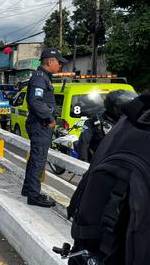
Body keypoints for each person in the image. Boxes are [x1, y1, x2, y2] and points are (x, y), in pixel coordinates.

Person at [21, 48, 66, 207]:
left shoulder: (43, 77)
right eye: (58, 62)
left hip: (40, 124)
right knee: (38, 160)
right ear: (49, 61)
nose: (60, 66)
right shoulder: (40, 78)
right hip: (40, 124)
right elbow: (35, 101)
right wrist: (49, 117)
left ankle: (28, 189)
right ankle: (34, 195)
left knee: (35, 158)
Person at [77, 89, 138, 162]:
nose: (125, 111)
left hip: (125, 161)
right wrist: (83, 164)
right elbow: (83, 143)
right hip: (101, 163)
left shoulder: (128, 121)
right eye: (122, 108)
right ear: (113, 107)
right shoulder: (94, 122)